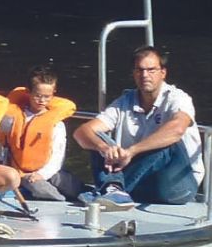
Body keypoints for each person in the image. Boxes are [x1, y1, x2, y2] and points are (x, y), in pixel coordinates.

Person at [73, 45, 202, 206]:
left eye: (151, 70)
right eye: (139, 70)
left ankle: (111, 186)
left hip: (177, 185)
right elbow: (81, 132)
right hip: (139, 182)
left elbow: (177, 129)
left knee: (169, 142)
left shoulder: (178, 98)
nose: (145, 75)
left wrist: (131, 151)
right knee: (97, 137)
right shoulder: (125, 101)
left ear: (163, 72)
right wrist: (104, 148)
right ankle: (114, 189)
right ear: (134, 73)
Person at [0, 65, 85, 202]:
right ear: (28, 93)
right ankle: (60, 201)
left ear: (53, 93)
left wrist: (42, 174)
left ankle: (85, 195)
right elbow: (2, 147)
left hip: (48, 170)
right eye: (37, 96)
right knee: (43, 190)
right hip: (22, 172)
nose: (42, 101)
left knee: (73, 186)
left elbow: (57, 157)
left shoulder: (56, 124)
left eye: (47, 97)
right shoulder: (11, 119)